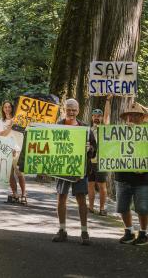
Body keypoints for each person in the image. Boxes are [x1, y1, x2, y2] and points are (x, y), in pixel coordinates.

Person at [52, 98, 97, 245]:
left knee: (81, 200)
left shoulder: (85, 127)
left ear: (78, 111)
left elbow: (94, 149)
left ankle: (84, 232)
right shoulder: (57, 126)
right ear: (64, 109)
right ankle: (62, 230)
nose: (71, 112)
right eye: (69, 109)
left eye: (74, 110)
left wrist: (89, 148)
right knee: (61, 198)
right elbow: (49, 146)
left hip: (80, 170)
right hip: (62, 168)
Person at [114, 101, 148, 246]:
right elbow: (111, 152)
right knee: (122, 206)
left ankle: (143, 234)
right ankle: (129, 231)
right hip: (122, 176)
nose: (132, 118)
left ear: (141, 118)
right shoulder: (116, 133)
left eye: (136, 115)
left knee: (142, 208)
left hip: (142, 178)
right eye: (129, 115)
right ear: (126, 117)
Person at [0, 100, 27, 204]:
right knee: (9, 175)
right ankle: (15, 194)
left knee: (20, 174)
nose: (7, 109)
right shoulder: (0, 122)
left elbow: (24, 134)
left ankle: (24, 195)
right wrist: (10, 126)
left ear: (12, 108)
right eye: (5, 107)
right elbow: (1, 135)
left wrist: (15, 123)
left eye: (9, 107)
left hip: (18, 150)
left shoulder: (19, 120)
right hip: (6, 150)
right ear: (3, 109)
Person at [88, 106, 109, 216]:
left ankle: (102, 208)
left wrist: (108, 101)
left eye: (99, 116)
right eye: (95, 116)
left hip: (101, 161)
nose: (96, 118)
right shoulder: (88, 130)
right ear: (92, 117)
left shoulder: (105, 129)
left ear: (101, 118)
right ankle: (90, 207)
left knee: (102, 186)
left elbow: (107, 117)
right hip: (90, 161)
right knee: (90, 184)